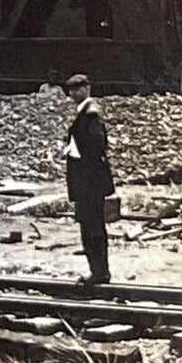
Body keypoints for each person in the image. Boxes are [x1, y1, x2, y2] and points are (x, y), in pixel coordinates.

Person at [63, 73, 114, 284]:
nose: (73, 93)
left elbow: (97, 144)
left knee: (92, 228)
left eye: (77, 89)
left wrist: (77, 153)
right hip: (87, 181)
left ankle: (99, 272)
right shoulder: (85, 113)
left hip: (90, 182)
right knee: (90, 226)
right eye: (71, 90)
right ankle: (98, 271)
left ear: (87, 89)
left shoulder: (91, 114)